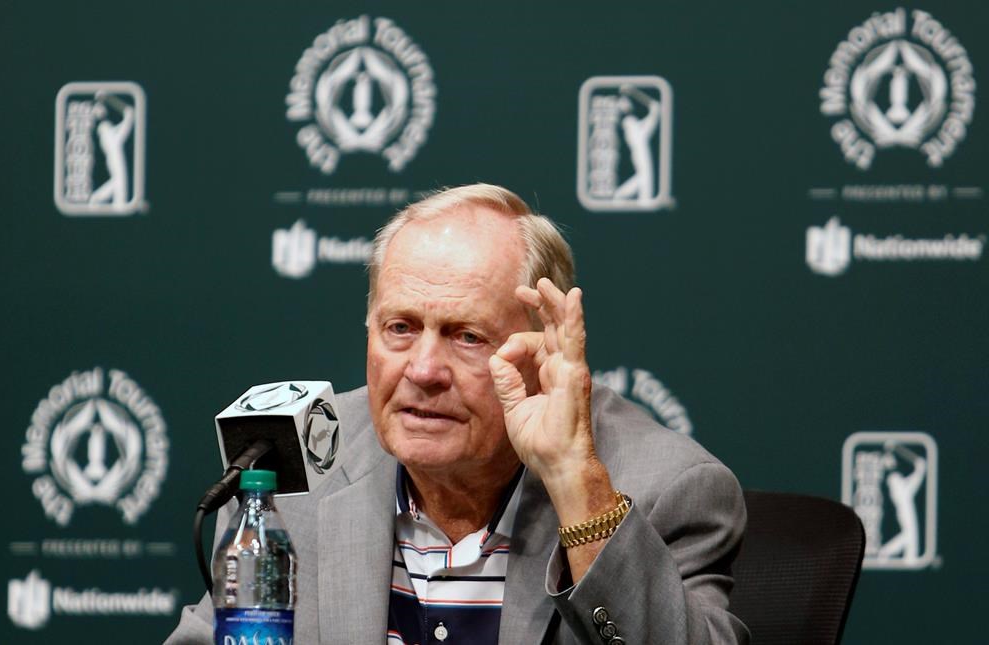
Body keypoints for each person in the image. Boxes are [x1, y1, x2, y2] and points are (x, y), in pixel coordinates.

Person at [166, 184, 748, 644]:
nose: (423, 369)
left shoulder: (665, 487)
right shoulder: (296, 467)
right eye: (400, 328)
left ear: (541, 350)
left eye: (467, 336)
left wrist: (577, 484)